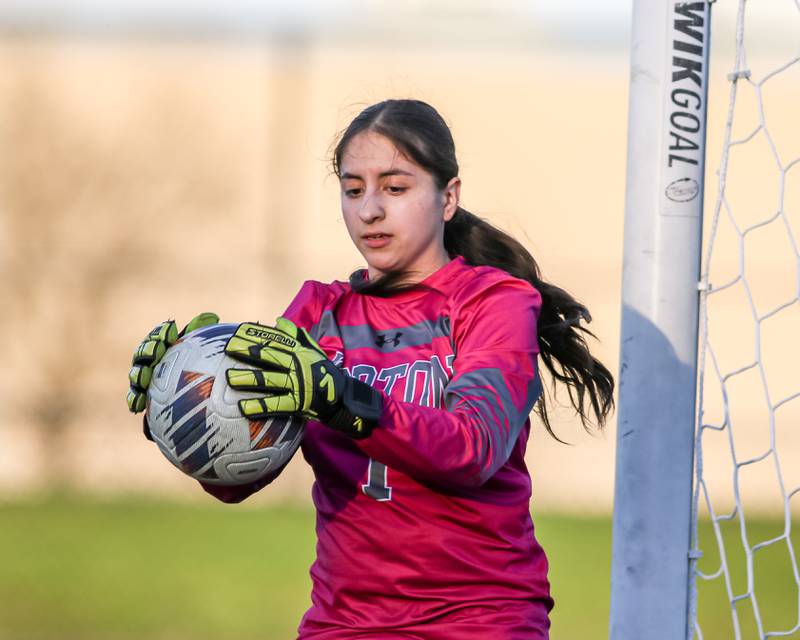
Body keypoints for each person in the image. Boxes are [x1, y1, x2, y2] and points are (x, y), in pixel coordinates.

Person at [127, 99, 615, 639]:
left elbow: (471, 447)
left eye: (395, 188)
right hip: (344, 625)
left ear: (448, 197)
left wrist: (343, 399)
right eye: (353, 189)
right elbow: (243, 478)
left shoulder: (493, 302)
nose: (370, 210)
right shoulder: (316, 312)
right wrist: (182, 413)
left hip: (480, 620)